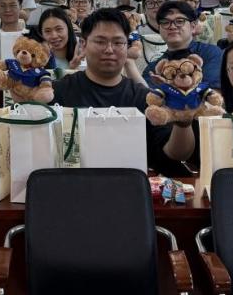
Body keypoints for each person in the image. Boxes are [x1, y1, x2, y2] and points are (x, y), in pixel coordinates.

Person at [51, 10, 199, 176]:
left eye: (118, 42)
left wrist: (183, 123)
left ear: (127, 46)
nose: (109, 49)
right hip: (72, 185)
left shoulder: (144, 98)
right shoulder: (58, 92)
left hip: (131, 186)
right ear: (83, 45)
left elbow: (178, 154)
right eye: (100, 41)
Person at [142, 1, 222, 89]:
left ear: (193, 27)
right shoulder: (154, 68)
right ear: (159, 29)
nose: (172, 26)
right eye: (165, 22)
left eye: (179, 21)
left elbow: (212, 91)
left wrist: (167, 89)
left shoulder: (210, 53)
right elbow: (147, 94)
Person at [35, 7, 84, 73]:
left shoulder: (83, 54)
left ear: (68, 29)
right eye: (48, 31)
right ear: (41, 34)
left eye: (59, 29)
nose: (54, 36)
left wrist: (74, 69)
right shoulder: (34, 60)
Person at [134, 0, 169, 73]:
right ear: (144, 9)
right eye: (150, 3)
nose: (156, 6)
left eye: (160, 2)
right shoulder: (135, 25)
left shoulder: (177, 26)